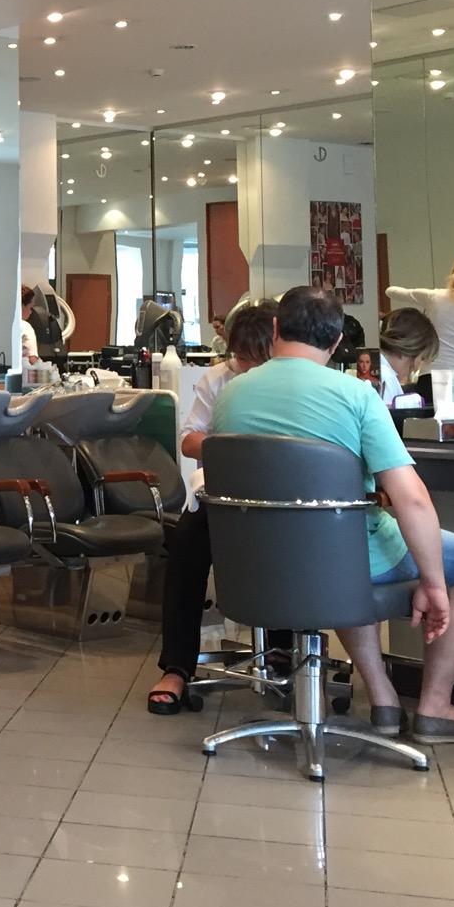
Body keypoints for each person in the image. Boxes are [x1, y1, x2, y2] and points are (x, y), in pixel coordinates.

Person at [212, 286, 454, 743]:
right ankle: (435, 707)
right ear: (338, 339)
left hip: (257, 564)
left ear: (276, 328)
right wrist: (433, 583)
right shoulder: (355, 395)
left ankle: (383, 697)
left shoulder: (232, 394)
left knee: (340, 540)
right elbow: (412, 500)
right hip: (340, 558)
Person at [147, 299, 276, 714]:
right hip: (223, 494)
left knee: (285, 547)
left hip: (278, 496)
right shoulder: (218, 380)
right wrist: (233, 446)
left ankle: (283, 655)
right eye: (241, 358)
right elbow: (189, 440)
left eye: (256, 358)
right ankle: (177, 666)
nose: (247, 367)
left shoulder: (290, 382)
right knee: (185, 543)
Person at [377, 307, 441, 407]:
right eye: (422, 358)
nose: (418, 367)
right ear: (409, 349)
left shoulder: (378, 369)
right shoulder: (386, 378)